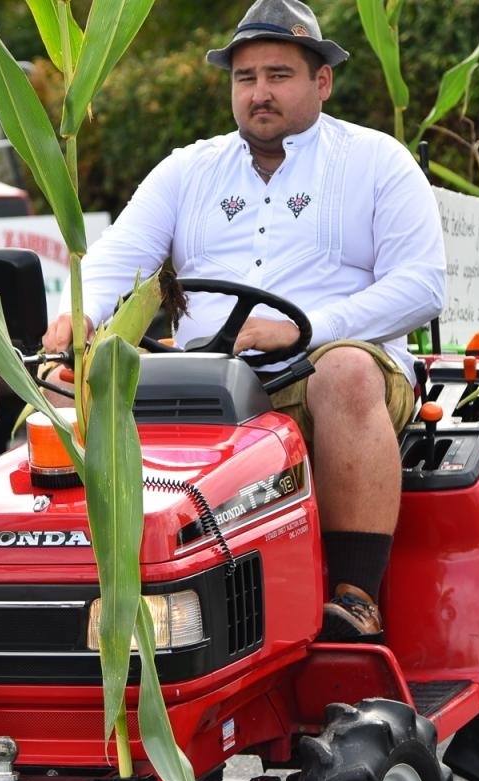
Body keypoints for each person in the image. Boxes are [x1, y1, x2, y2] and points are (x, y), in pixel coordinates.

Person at [41, 0, 444, 643]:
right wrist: (77, 315)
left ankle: (356, 596)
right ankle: (75, 600)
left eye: (278, 75)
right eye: (245, 77)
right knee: (63, 387)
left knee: (343, 371)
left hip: (331, 375)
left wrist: (308, 326)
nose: (259, 92)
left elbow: (423, 287)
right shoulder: (187, 169)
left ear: (322, 81)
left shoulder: (377, 161)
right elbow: (118, 257)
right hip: (210, 382)